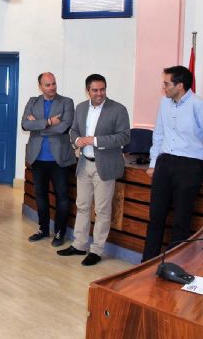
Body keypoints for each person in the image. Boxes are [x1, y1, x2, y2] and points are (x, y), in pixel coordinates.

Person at [141, 66, 203, 261]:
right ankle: (146, 262)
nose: (163, 87)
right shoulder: (164, 103)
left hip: (190, 166)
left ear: (180, 85)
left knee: (181, 221)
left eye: (167, 83)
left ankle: (173, 263)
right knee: (155, 218)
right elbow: (159, 134)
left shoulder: (199, 106)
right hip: (165, 163)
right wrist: (153, 163)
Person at [57, 74, 130, 266]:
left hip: (105, 166)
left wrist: (95, 141)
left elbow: (124, 137)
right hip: (84, 164)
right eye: (95, 90)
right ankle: (79, 245)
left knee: (102, 210)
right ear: (87, 90)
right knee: (82, 206)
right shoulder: (81, 108)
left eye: (102, 89)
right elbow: (73, 130)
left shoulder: (118, 109)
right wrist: (76, 140)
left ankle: (97, 250)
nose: (100, 93)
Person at [21, 72, 76, 247]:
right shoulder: (33, 102)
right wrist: (49, 121)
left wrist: (38, 124)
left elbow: (64, 127)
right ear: (40, 86)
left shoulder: (66, 102)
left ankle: (60, 232)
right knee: (40, 196)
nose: (52, 87)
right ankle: (43, 229)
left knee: (62, 197)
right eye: (48, 85)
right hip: (37, 158)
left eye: (53, 83)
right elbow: (24, 124)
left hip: (58, 159)